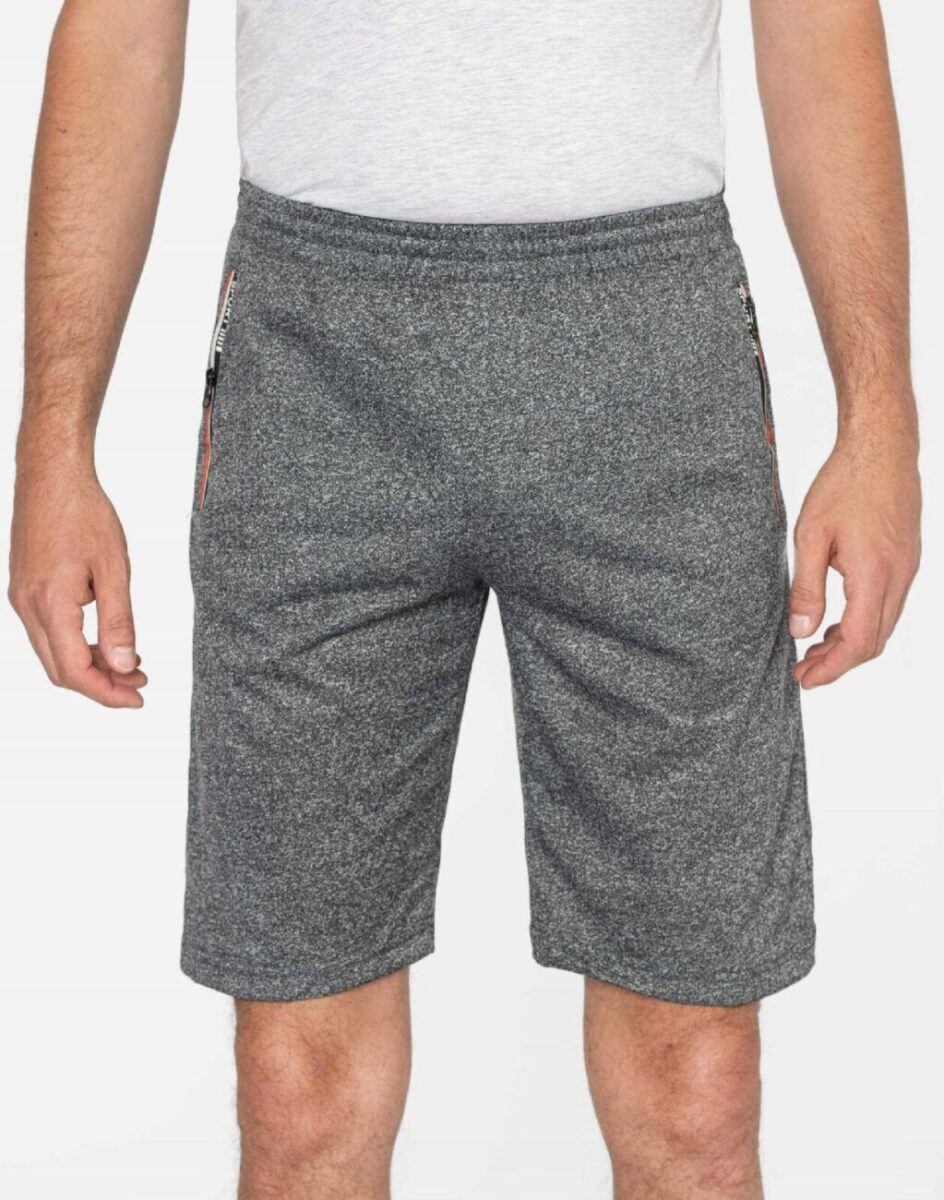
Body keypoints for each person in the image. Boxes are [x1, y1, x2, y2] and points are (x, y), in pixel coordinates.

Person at [8, 1, 922, 1197]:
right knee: (298, 1090)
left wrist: (879, 418)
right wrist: (53, 446)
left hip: (652, 371)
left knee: (693, 1086)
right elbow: (122, 29)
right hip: (316, 371)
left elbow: (814, 24)